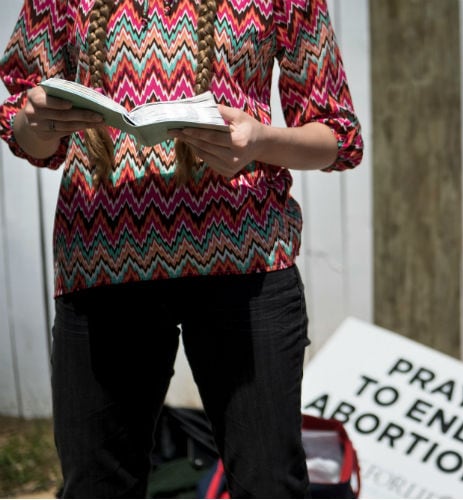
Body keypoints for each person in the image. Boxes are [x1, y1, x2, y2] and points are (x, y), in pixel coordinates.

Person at [0, 0, 363, 497]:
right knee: (96, 487)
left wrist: (259, 141)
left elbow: (337, 137)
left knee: (270, 485)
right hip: (102, 264)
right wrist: (36, 124)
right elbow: (32, 139)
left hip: (247, 265)